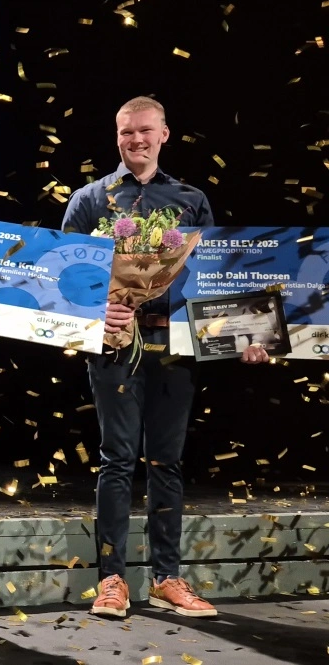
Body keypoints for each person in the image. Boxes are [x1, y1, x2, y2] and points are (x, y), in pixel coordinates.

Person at [62, 96, 269, 621]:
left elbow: (215, 281)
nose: (136, 140)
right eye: (127, 133)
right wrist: (98, 311)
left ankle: (166, 578)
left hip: (176, 347)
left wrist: (246, 334)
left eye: (145, 131)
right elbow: (63, 281)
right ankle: (111, 580)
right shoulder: (90, 199)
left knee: (167, 463)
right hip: (114, 348)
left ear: (164, 134)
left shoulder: (191, 199)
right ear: (117, 137)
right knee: (117, 460)